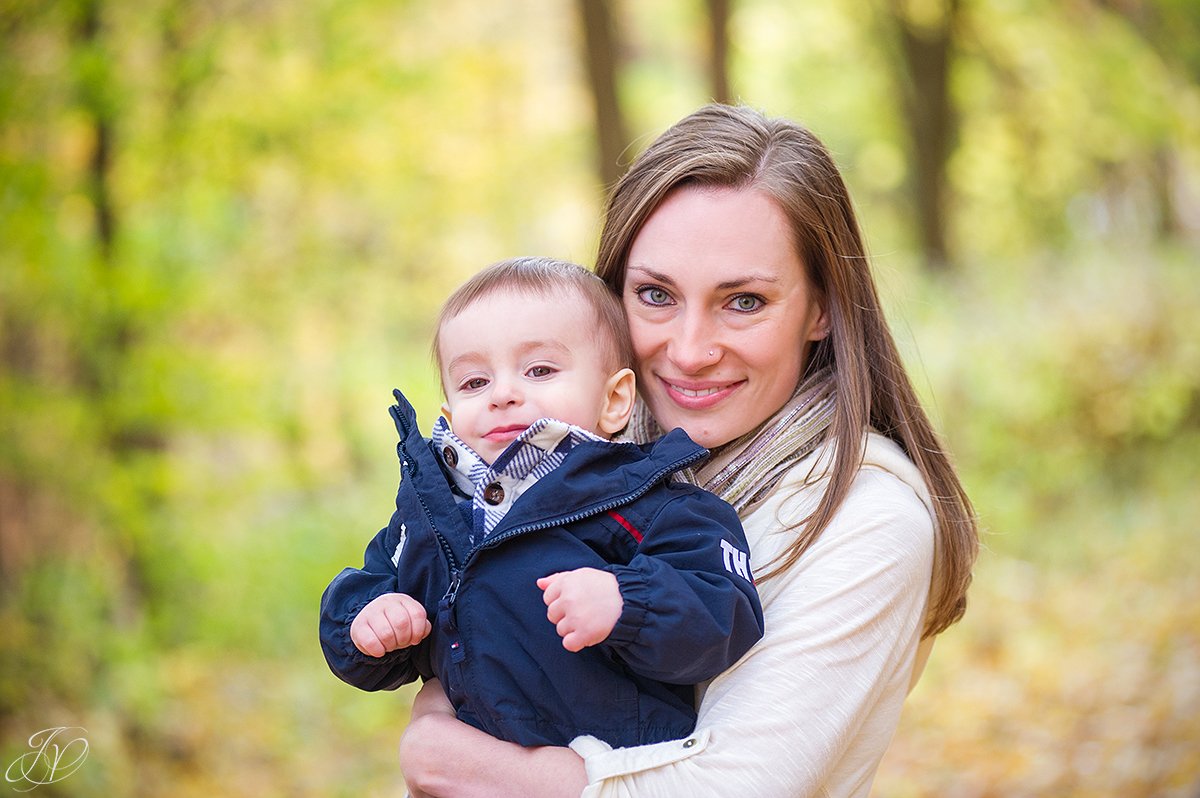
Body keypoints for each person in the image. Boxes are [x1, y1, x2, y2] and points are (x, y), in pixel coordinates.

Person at [396, 104, 980, 798]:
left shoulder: (870, 520)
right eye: (655, 294)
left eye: (744, 302)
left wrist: (469, 763)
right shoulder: (574, 467)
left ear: (821, 307)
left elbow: (736, 787)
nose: (690, 350)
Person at [319, 257, 764, 750]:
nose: (504, 394)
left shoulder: (652, 503)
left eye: (539, 370)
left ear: (614, 400)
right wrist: (370, 621)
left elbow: (726, 615)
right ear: (449, 410)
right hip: (469, 771)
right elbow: (368, 594)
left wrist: (628, 602)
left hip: (615, 771)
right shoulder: (433, 513)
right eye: (474, 382)